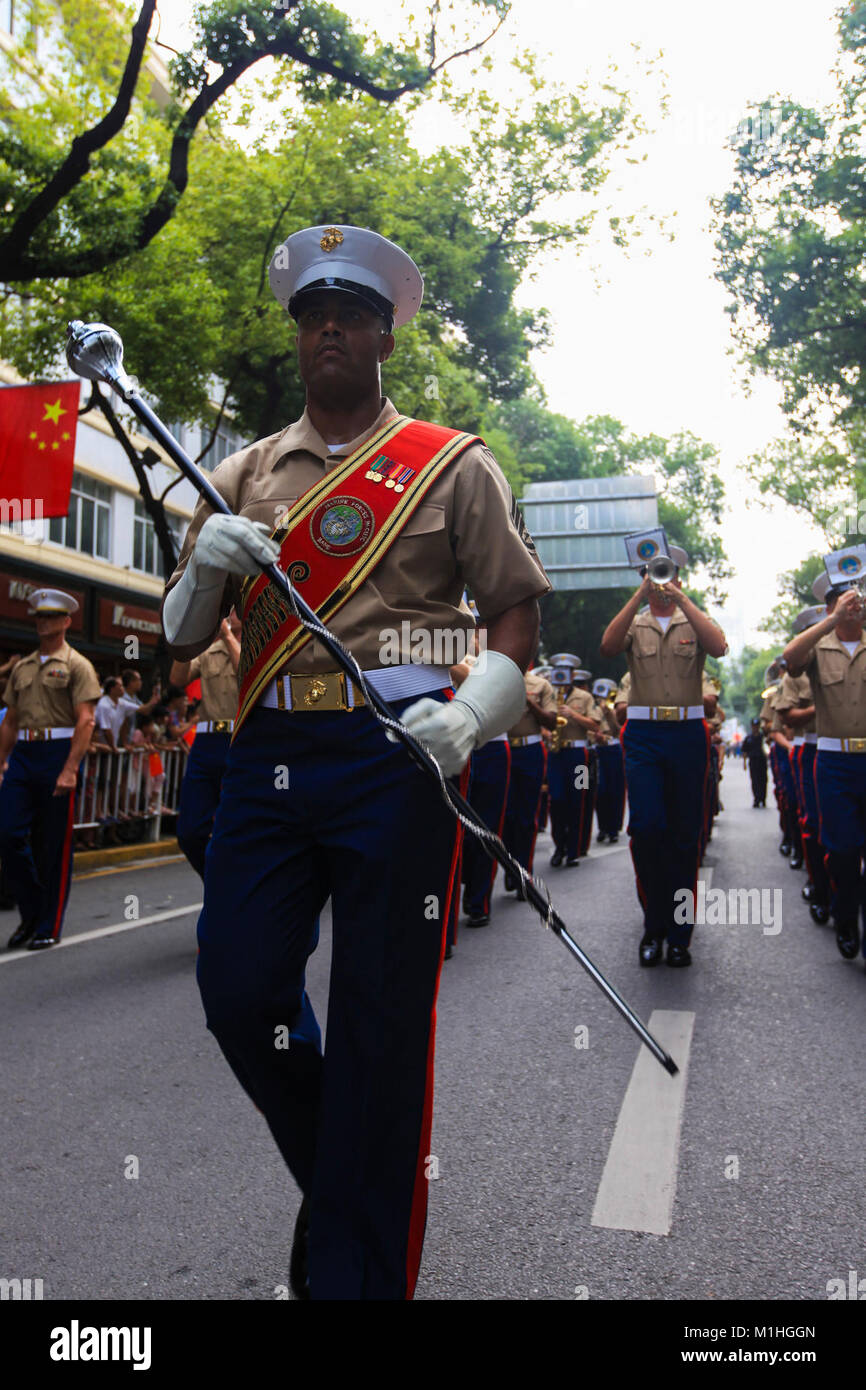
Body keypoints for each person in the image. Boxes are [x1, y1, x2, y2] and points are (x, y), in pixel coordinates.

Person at [161, 224, 550, 1300]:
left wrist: (470, 716)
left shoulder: (452, 463)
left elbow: (513, 618)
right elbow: (182, 634)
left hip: (398, 755)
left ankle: (352, 1280)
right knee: (241, 991)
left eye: (349, 316)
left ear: (384, 334)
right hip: (270, 746)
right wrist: (203, 565)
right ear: (299, 340)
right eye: (311, 317)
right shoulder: (238, 471)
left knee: (380, 1022)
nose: (327, 330)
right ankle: (349, 1183)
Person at [600, 539, 727, 967]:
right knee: (648, 828)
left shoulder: (693, 620)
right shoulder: (635, 623)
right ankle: (653, 924)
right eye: (653, 573)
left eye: (667, 573)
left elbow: (720, 645)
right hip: (645, 734)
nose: (659, 581)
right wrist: (639, 596)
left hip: (688, 733)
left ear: (679, 577)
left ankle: (679, 935)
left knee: (683, 836)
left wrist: (684, 599)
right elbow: (607, 646)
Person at [0, 589, 100, 949]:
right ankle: (30, 912)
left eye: (51, 617)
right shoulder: (23, 668)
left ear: (66, 622)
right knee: (8, 833)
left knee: (53, 847)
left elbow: (86, 721)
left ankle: (47, 924)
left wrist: (71, 767)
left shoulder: (78, 665)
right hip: (25, 754)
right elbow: (10, 721)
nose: (44, 622)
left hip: (59, 752)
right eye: (39, 617)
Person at [784, 570, 866, 961]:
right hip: (834, 760)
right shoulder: (820, 646)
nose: (855, 604)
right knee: (843, 849)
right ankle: (846, 914)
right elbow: (790, 658)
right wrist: (832, 622)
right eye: (846, 600)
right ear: (832, 606)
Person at [170, 615, 241, 878]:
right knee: (190, 831)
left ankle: (234, 887)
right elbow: (178, 679)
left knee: (235, 827)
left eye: (235, 608)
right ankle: (219, 881)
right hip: (207, 741)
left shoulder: (257, 646)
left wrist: (228, 636)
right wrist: (186, 640)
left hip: (240, 740)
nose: (230, 613)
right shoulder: (209, 651)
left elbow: (246, 672)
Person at [502, 657, 558, 894]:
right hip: (501, 748)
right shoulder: (496, 677)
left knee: (526, 816)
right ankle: (509, 866)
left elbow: (552, 722)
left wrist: (528, 702)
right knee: (506, 816)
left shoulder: (541, 685)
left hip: (529, 750)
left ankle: (523, 873)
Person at [546, 654, 600, 868]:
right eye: (559, 670)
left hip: (579, 756)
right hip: (556, 754)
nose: (562, 674)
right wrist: (545, 731)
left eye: (567, 671)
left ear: (573, 674)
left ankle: (574, 850)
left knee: (578, 800)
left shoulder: (584, 697)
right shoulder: (549, 693)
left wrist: (572, 715)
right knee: (556, 800)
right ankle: (559, 845)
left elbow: (595, 726)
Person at [592, 677, 626, 844]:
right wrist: (595, 736)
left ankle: (613, 829)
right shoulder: (591, 706)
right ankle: (602, 827)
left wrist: (609, 713)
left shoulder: (615, 709)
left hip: (614, 751)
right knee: (598, 790)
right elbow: (587, 728)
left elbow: (620, 731)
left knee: (615, 790)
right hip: (595, 752)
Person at [740, 718, 768, 808]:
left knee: (763, 780)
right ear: (752, 726)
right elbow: (744, 751)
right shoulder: (748, 738)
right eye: (754, 726)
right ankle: (756, 798)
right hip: (753, 761)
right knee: (755, 780)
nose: (755, 728)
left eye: (757, 726)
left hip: (762, 761)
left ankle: (763, 799)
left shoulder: (763, 737)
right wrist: (744, 763)